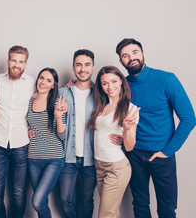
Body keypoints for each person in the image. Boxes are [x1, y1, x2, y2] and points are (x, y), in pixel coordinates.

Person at [115, 38, 196, 218]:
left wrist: (168, 151)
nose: (131, 58)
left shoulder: (166, 79)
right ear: (121, 62)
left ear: (143, 53)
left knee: (167, 209)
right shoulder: (122, 85)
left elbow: (189, 118)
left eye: (135, 52)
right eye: (125, 56)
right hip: (133, 154)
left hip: (161, 154)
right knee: (140, 207)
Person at [0, 45, 35, 218]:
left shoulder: (32, 83)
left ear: (26, 64)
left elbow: (48, 95)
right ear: (8, 61)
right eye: (14, 60)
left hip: (21, 143)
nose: (17, 65)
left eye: (21, 61)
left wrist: (72, 83)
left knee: (19, 193)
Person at [89, 66, 139, 218]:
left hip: (116, 167)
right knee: (112, 213)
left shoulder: (129, 109)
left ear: (122, 82)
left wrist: (127, 129)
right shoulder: (101, 106)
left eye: (114, 81)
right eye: (105, 83)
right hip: (99, 165)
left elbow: (130, 147)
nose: (110, 86)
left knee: (105, 214)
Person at [58, 49, 97, 218]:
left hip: (92, 157)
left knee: (87, 200)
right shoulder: (62, 93)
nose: (83, 69)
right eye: (79, 64)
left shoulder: (101, 93)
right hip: (68, 157)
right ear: (73, 67)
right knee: (66, 199)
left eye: (87, 64)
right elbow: (49, 119)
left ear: (93, 67)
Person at [27, 68, 67, 218]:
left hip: (54, 159)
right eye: (41, 78)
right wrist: (27, 131)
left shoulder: (58, 103)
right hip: (33, 158)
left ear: (53, 85)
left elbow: (63, 136)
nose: (43, 82)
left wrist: (57, 117)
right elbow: (25, 124)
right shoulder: (29, 101)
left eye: (48, 80)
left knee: (37, 202)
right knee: (41, 202)